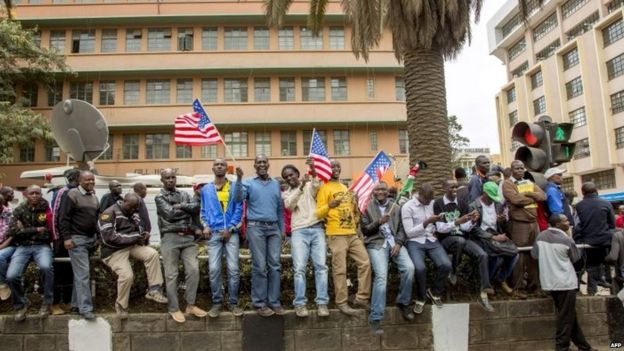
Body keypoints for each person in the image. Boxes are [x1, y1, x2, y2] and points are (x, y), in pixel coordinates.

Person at [531, 214, 596, 351]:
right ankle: (561, 347)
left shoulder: (540, 236)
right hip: (566, 282)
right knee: (566, 317)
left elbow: (534, 255)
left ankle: (584, 346)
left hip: (549, 281)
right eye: (565, 221)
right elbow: (577, 261)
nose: (568, 223)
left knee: (569, 314)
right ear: (558, 224)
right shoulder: (567, 240)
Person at [316, 160, 371, 316]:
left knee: (365, 263)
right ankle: (342, 302)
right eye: (333, 166)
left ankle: (361, 298)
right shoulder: (324, 188)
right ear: (327, 169)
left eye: (338, 166)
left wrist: (355, 218)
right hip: (336, 234)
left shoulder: (345, 187)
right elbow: (318, 213)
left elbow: (353, 211)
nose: (336, 168)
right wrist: (329, 206)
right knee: (340, 269)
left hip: (352, 234)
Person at [99, 193, 167, 319]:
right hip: (114, 251)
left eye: (135, 208)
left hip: (132, 246)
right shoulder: (109, 213)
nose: (133, 210)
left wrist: (143, 235)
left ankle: (154, 290)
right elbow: (109, 238)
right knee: (127, 275)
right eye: (130, 207)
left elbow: (137, 230)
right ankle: (121, 305)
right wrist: (135, 237)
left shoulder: (133, 212)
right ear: (124, 201)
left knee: (152, 254)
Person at [361, 181, 415, 334]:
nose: (380, 192)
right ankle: (376, 317)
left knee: (409, 268)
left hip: (395, 244)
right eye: (377, 189)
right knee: (381, 277)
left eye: (383, 189)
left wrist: (398, 243)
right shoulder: (366, 207)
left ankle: (403, 302)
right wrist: (378, 222)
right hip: (377, 244)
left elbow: (402, 229)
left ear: (387, 191)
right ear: (373, 191)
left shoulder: (396, 207)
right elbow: (364, 230)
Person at [235, 155, 285, 317]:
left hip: (274, 229)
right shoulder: (248, 182)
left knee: (275, 265)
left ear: (268, 164)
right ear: (254, 165)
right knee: (260, 266)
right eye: (259, 162)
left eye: (264, 162)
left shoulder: (276, 184)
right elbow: (237, 198)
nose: (262, 164)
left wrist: (282, 229)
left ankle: (274, 302)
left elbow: (279, 209)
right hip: (256, 227)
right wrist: (239, 178)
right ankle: (259, 303)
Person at [433, 179, 494, 311]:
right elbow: (440, 228)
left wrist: (472, 221)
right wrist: (456, 222)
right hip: (446, 239)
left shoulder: (461, 203)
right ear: (444, 187)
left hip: (462, 237)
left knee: (482, 254)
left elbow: (465, 228)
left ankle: (484, 291)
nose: (454, 189)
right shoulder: (438, 203)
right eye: (451, 187)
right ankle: (453, 271)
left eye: (456, 187)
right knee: (459, 241)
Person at [155, 168, 207, 323]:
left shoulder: (184, 194)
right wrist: (186, 208)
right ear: (162, 180)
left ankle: (190, 305)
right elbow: (169, 215)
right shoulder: (159, 197)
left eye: (173, 177)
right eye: (167, 178)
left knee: (193, 270)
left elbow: (196, 208)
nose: (171, 180)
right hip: (170, 237)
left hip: (188, 237)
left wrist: (179, 207)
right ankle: (174, 308)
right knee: (171, 275)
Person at [281, 161, 329, 318]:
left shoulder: (309, 185)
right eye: (286, 177)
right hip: (299, 231)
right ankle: (300, 304)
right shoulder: (286, 193)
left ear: (297, 174)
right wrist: (300, 187)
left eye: (291, 174)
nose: (289, 178)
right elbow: (289, 205)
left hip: (316, 228)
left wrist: (314, 170)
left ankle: (322, 303)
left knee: (321, 267)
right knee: (299, 268)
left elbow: (317, 185)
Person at [200, 158, 244, 318]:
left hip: (231, 234)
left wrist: (231, 228)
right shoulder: (206, 189)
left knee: (233, 270)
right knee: (214, 269)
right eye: (217, 164)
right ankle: (217, 303)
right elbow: (203, 210)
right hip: (213, 233)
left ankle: (233, 303)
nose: (219, 166)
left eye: (222, 164)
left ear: (227, 168)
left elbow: (239, 209)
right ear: (212, 168)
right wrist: (205, 225)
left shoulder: (233, 187)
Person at [401, 183, 451, 313]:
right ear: (420, 194)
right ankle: (421, 298)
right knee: (420, 268)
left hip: (431, 239)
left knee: (446, 265)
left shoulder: (432, 203)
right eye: (427, 199)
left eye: (431, 199)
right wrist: (427, 222)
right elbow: (409, 233)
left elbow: (438, 225)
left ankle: (434, 292)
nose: (429, 202)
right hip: (414, 241)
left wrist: (439, 223)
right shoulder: (407, 207)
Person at [6, 185, 54, 321]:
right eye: (31, 193)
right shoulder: (19, 210)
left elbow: (48, 232)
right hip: (23, 247)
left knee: (46, 268)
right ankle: (21, 305)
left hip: (42, 246)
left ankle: (47, 301)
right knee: (11, 276)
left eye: (37, 193)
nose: (34, 195)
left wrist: (25, 230)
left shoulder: (46, 209)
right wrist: (36, 230)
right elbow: (12, 232)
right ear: (26, 194)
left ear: (41, 194)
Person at [58, 170, 99, 320]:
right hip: (76, 240)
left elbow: (95, 219)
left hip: (90, 240)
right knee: (83, 274)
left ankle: (76, 304)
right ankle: (86, 309)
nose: (90, 182)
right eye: (87, 180)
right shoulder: (72, 194)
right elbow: (63, 218)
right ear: (79, 181)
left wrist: (97, 237)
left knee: (80, 274)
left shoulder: (94, 197)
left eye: (92, 180)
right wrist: (67, 238)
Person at [502, 160, 545, 298]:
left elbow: (543, 196)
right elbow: (515, 200)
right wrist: (533, 197)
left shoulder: (529, 183)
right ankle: (518, 288)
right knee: (519, 256)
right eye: (516, 168)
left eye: (522, 168)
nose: (520, 170)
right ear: (512, 169)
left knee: (534, 255)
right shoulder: (508, 183)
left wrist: (528, 195)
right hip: (519, 223)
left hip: (534, 222)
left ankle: (534, 286)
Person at [469, 182, 518, 296]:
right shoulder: (473, 206)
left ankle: (500, 278)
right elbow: (473, 229)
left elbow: (502, 225)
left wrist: (502, 221)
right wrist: (492, 237)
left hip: (496, 234)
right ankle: (488, 283)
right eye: (490, 197)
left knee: (515, 253)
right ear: (484, 193)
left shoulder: (497, 205)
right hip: (482, 236)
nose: (492, 200)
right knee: (493, 257)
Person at [574, 182, 615, 296]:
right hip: (604, 241)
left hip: (587, 241)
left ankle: (591, 290)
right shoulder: (606, 203)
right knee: (599, 264)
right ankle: (601, 284)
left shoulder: (579, 206)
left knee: (589, 265)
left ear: (583, 192)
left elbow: (577, 225)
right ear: (596, 190)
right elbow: (612, 224)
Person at [50, 168, 80, 315]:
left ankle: (68, 301)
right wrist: (57, 238)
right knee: (58, 270)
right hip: (62, 239)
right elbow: (55, 215)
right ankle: (55, 303)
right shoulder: (61, 192)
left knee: (71, 271)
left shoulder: (83, 192)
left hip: (77, 238)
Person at [0, 194, 14, 301]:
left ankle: (3, 284)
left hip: (9, 245)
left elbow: (14, 234)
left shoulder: (10, 213)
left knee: (0, 256)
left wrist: (3, 245)